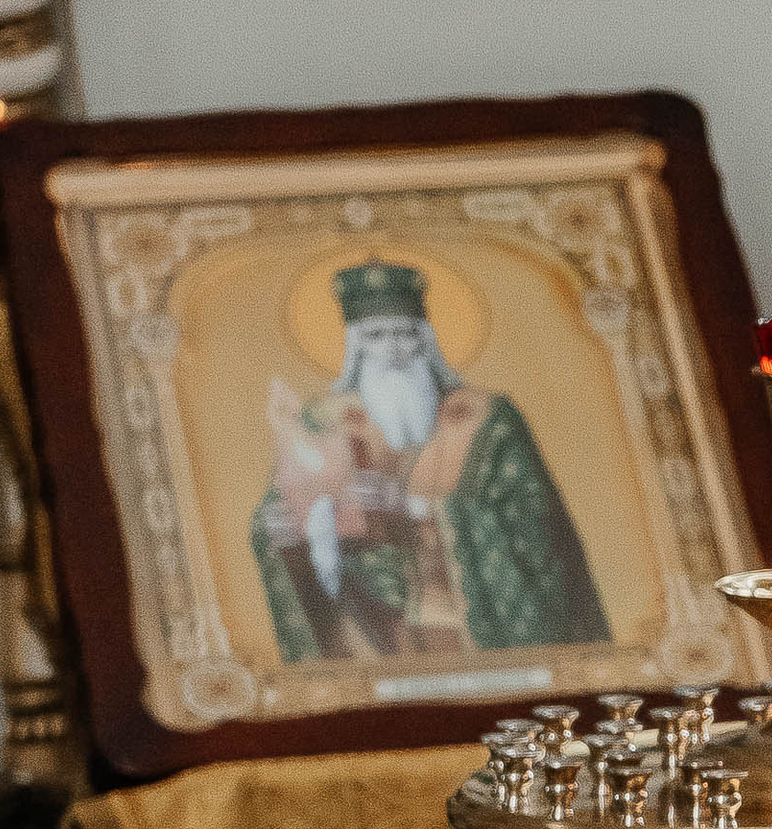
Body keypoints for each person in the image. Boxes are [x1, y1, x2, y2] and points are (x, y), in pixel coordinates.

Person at [253, 259, 606, 664]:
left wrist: (413, 506)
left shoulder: (485, 417)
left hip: (474, 624)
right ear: (356, 346)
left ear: (426, 340)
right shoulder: (323, 419)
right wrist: (280, 526)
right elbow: (281, 509)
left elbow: (535, 521)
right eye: (376, 336)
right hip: (373, 624)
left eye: (406, 334)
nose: (393, 349)